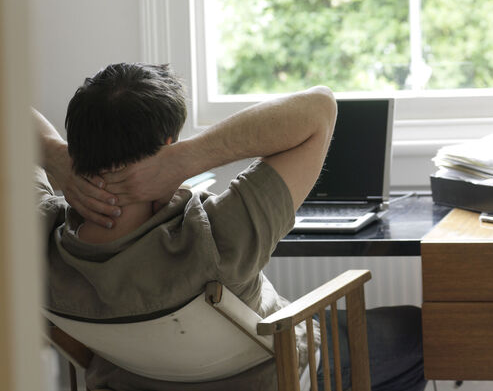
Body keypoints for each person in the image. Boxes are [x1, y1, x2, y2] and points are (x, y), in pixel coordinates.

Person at [36, 63, 425, 391]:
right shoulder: (215, 237)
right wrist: (184, 160)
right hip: (277, 375)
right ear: (168, 144)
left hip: (132, 379)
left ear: (79, 148)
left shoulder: (34, 242)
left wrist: (56, 157)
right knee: (420, 331)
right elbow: (319, 107)